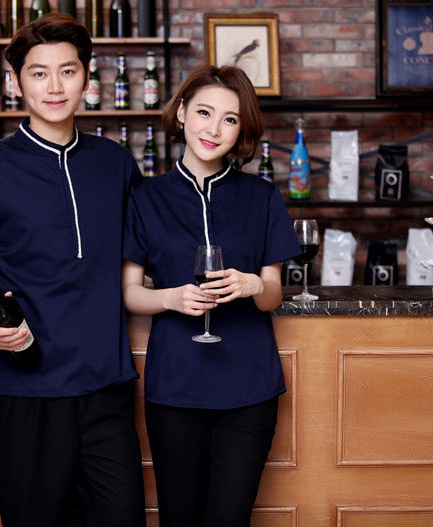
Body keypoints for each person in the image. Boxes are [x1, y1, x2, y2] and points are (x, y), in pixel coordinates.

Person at [0, 13, 145, 527]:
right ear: (16, 82)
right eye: (38, 73)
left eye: (68, 71)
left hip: (106, 385)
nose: (55, 87)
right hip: (23, 390)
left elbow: (138, 261)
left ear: (87, 78)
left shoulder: (117, 163)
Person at [121, 64, 301, 526]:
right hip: (175, 387)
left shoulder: (263, 196)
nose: (214, 129)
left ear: (241, 130)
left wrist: (254, 284)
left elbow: (273, 295)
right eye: (204, 112)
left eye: (229, 119)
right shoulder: (145, 197)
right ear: (182, 112)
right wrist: (170, 299)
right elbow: (130, 293)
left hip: (249, 386)